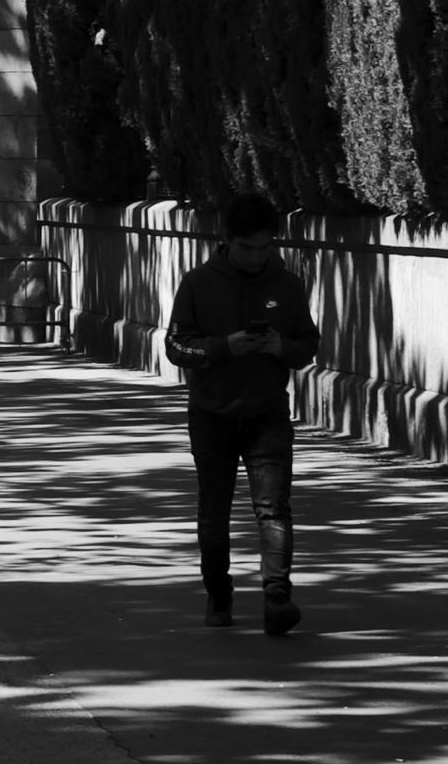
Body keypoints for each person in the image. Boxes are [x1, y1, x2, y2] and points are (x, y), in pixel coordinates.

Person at [167, 190, 319, 636]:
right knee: (214, 511)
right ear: (228, 241)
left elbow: (308, 343)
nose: (256, 257)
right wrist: (220, 347)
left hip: (266, 412)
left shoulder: (288, 286)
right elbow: (177, 347)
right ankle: (218, 592)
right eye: (247, 247)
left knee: (273, 508)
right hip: (212, 413)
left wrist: (281, 347)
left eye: (265, 247)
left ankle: (277, 595)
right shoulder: (198, 283)